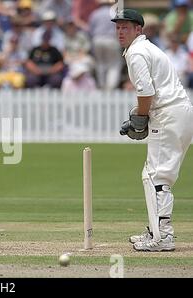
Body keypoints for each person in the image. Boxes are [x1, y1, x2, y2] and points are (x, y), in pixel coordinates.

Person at [113, 9, 193, 251]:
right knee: (158, 174)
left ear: (138, 29)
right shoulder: (146, 49)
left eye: (125, 27)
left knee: (156, 176)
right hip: (177, 112)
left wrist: (141, 116)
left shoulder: (137, 52)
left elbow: (146, 93)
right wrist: (143, 115)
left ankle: (162, 237)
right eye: (117, 27)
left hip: (168, 114)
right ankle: (156, 230)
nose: (120, 32)